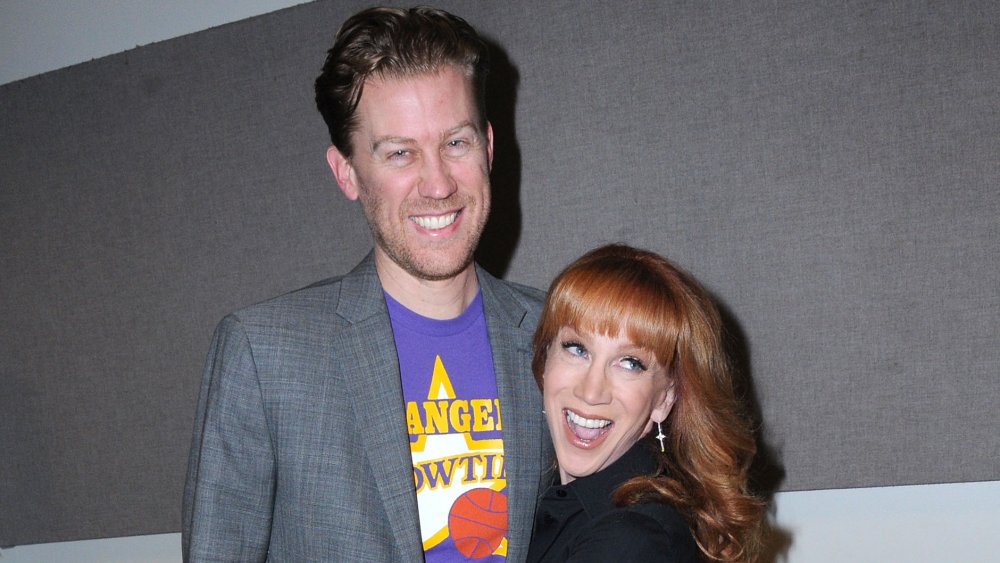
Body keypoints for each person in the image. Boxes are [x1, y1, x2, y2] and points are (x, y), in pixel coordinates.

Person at [182, 7, 549, 561]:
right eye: (400, 153)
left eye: (456, 143)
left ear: (489, 147)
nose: (437, 183)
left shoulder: (561, 335)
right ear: (347, 173)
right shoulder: (265, 355)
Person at [527, 244, 765, 562]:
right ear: (544, 360)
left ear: (664, 399)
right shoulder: (546, 498)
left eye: (629, 363)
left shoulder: (632, 539)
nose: (591, 391)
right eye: (577, 349)